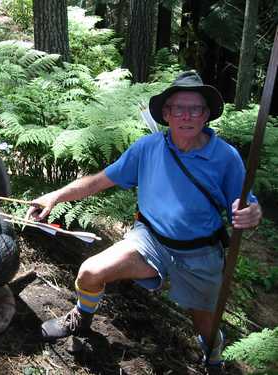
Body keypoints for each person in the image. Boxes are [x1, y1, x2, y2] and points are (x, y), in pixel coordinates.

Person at [26, 71, 262, 369]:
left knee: (207, 328)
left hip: (200, 253)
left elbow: (246, 206)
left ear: (206, 115)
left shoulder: (226, 157)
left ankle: (213, 362)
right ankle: (82, 318)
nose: (187, 116)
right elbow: (99, 181)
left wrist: (251, 213)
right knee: (90, 272)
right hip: (149, 241)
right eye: (179, 108)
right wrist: (55, 196)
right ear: (166, 113)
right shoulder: (148, 148)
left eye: (195, 109)